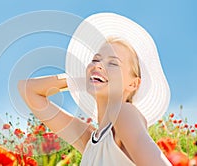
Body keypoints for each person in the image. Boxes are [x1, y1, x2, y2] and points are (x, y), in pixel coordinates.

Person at [18, 12, 172, 165]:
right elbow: (28, 89)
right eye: (95, 60)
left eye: (113, 63)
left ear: (133, 84)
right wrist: (81, 79)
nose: (98, 65)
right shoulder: (89, 141)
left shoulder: (124, 113)